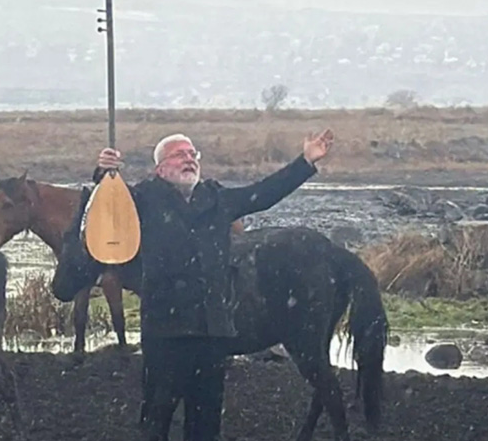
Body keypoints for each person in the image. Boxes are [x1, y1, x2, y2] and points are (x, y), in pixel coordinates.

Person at [53, 130, 334, 441]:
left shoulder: (216, 199)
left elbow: (264, 194)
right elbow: (106, 211)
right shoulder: (142, 199)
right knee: (155, 422)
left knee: (205, 427)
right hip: (165, 333)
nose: (189, 159)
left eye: (192, 154)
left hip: (212, 334)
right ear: (160, 168)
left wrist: (305, 161)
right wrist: (104, 174)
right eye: (179, 154)